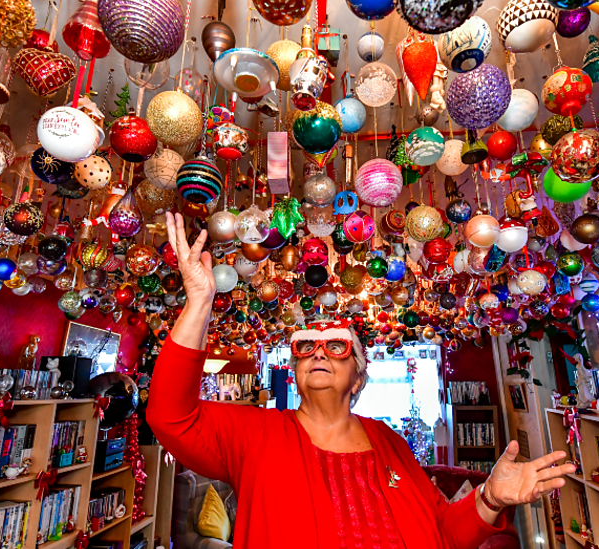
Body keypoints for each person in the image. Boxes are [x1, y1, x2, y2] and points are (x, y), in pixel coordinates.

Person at [146, 212, 575, 549]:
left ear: (358, 378)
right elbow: (169, 417)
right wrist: (200, 304)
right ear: (294, 375)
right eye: (306, 345)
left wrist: (489, 500)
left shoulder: (389, 442)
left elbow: (443, 533)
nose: (318, 350)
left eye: (337, 347)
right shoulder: (256, 434)